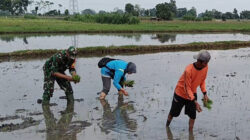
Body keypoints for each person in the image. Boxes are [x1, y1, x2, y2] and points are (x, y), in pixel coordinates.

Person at [166, 50, 211, 132]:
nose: (207, 64)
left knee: (193, 116)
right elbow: (187, 88)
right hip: (180, 93)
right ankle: (167, 127)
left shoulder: (205, 67)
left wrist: (204, 93)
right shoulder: (188, 70)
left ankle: (191, 133)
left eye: (208, 62)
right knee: (173, 113)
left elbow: (202, 80)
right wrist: (195, 102)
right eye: (206, 62)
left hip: (192, 93)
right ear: (200, 61)